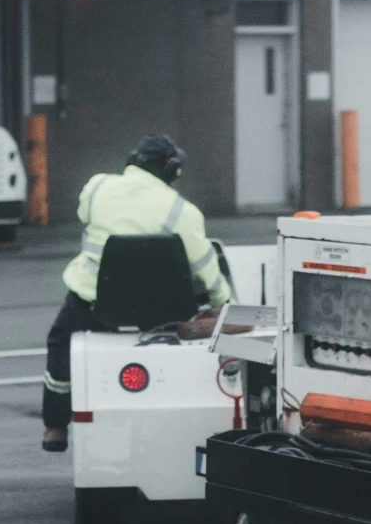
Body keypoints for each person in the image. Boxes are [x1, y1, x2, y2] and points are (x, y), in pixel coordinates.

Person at [42, 133, 233, 450]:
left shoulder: (97, 187)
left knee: (59, 348)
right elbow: (206, 269)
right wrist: (223, 302)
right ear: (171, 171)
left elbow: (84, 216)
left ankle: (55, 427)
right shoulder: (183, 212)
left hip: (92, 307)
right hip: (157, 315)